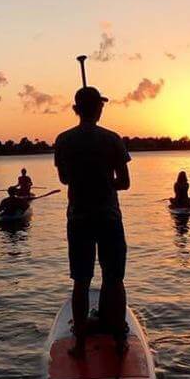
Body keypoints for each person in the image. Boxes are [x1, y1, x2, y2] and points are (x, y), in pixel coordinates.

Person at [54, 85, 131, 357]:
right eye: (101, 105)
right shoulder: (112, 139)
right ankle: (120, 342)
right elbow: (124, 182)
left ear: (76, 110)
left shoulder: (63, 140)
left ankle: (80, 345)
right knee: (114, 278)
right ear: (98, 108)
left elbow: (64, 179)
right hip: (109, 217)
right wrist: (105, 180)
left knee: (81, 280)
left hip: (79, 218)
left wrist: (84, 176)